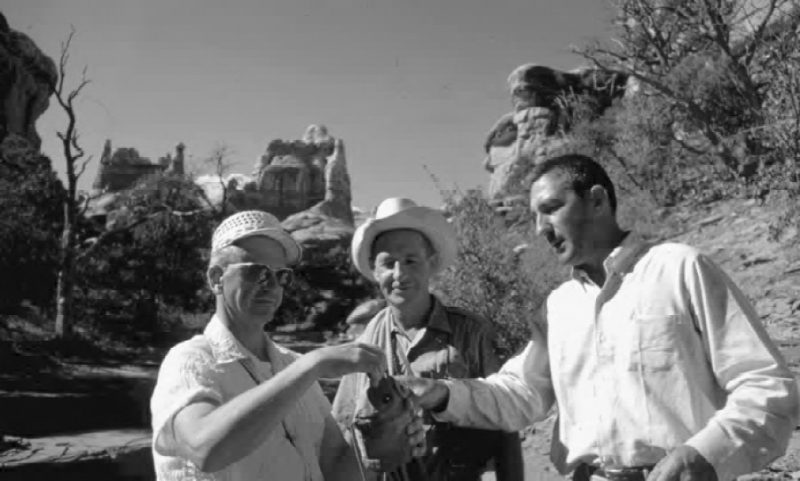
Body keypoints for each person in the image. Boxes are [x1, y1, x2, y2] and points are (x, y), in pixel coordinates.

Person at [400, 155, 800, 481]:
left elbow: (765, 384)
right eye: (535, 218)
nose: (541, 228)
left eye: (551, 209)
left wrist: (705, 454)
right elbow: (521, 394)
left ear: (596, 200)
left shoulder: (680, 268)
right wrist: (441, 394)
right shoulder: (559, 306)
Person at [150, 210, 424, 481]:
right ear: (216, 278)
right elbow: (204, 449)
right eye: (256, 272)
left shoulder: (293, 365)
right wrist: (313, 365)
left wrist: (382, 440)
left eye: (281, 276)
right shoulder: (189, 360)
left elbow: (336, 469)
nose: (270, 285)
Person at [332, 197, 523, 481]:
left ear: (431, 263)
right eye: (388, 263)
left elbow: (505, 420)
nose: (400, 274)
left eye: (411, 260)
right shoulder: (366, 342)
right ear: (374, 269)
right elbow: (345, 425)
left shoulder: (472, 332)